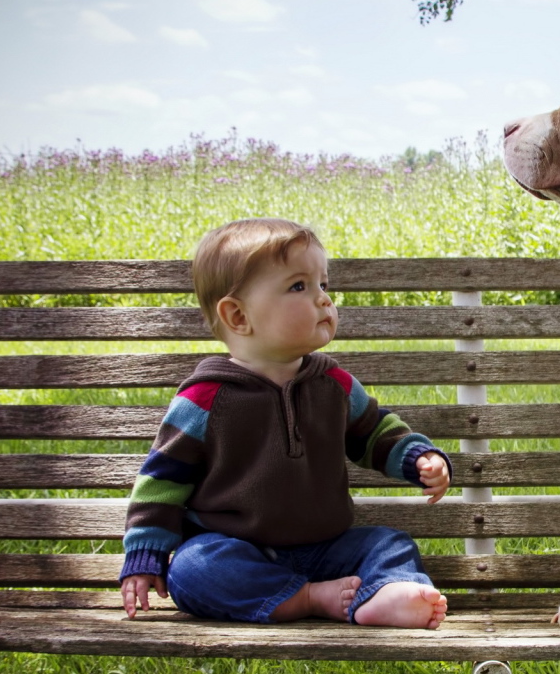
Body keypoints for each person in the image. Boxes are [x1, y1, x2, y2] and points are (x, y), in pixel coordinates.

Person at [118, 217, 451, 629]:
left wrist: (417, 457)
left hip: (328, 549)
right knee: (192, 568)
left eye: (323, 286)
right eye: (299, 287)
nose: (323, 300)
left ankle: (387, 593)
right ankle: (311, 598)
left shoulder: (334, 385)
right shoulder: (205, 399)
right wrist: (146, 551)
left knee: (389, 543)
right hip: (238, 549)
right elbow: (163, 478)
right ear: (238, 316)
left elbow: (374, 431)